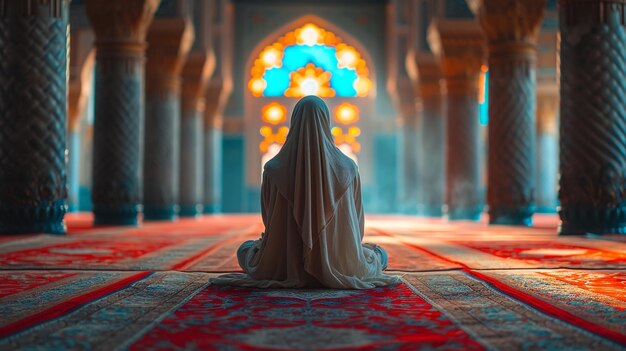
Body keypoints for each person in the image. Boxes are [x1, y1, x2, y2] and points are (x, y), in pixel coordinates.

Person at [211, 96, 399, 289]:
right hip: (338, 261)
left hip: (285, 262)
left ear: (293, 122)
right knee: (379, 254)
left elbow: (268, 219)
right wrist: (342, 249)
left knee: (245, 250)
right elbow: (357, 224)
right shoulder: (348, 168)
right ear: (327, 123)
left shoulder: (273, 168)